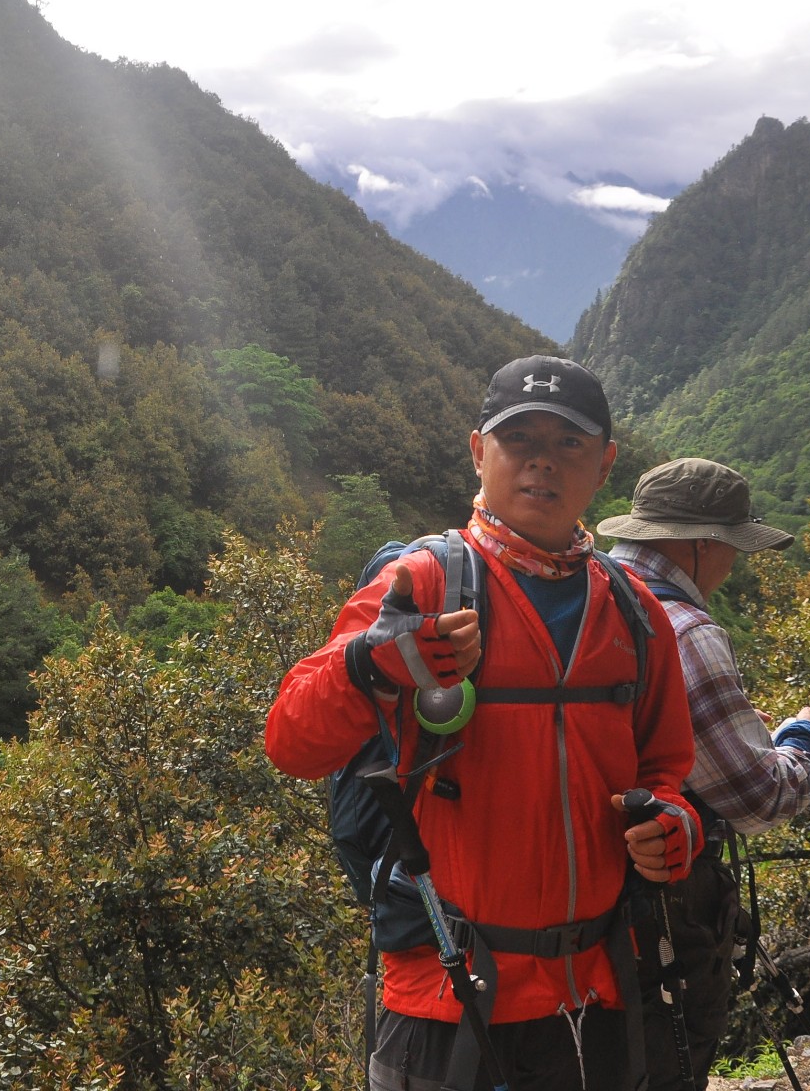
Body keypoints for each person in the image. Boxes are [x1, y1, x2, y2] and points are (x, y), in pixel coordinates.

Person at [265, 355, 701, 1091]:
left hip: (596, 990)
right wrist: (371, 667)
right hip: (448, 993)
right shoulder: (425, 583)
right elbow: (291, 740)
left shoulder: (634, 610)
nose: (541, 462)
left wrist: (674, 826)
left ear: (605, 464)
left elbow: (666, 767)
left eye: (568, 443)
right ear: (478, 452)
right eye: (517, 439)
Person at [598, 458, 810, 1091]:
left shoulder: (583, 593)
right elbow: (759, 799)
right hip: (660, 902)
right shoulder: (685, 627)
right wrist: (807, 736)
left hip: (576, 901)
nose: (735, 561)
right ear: (702, 542)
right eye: (732, 545)